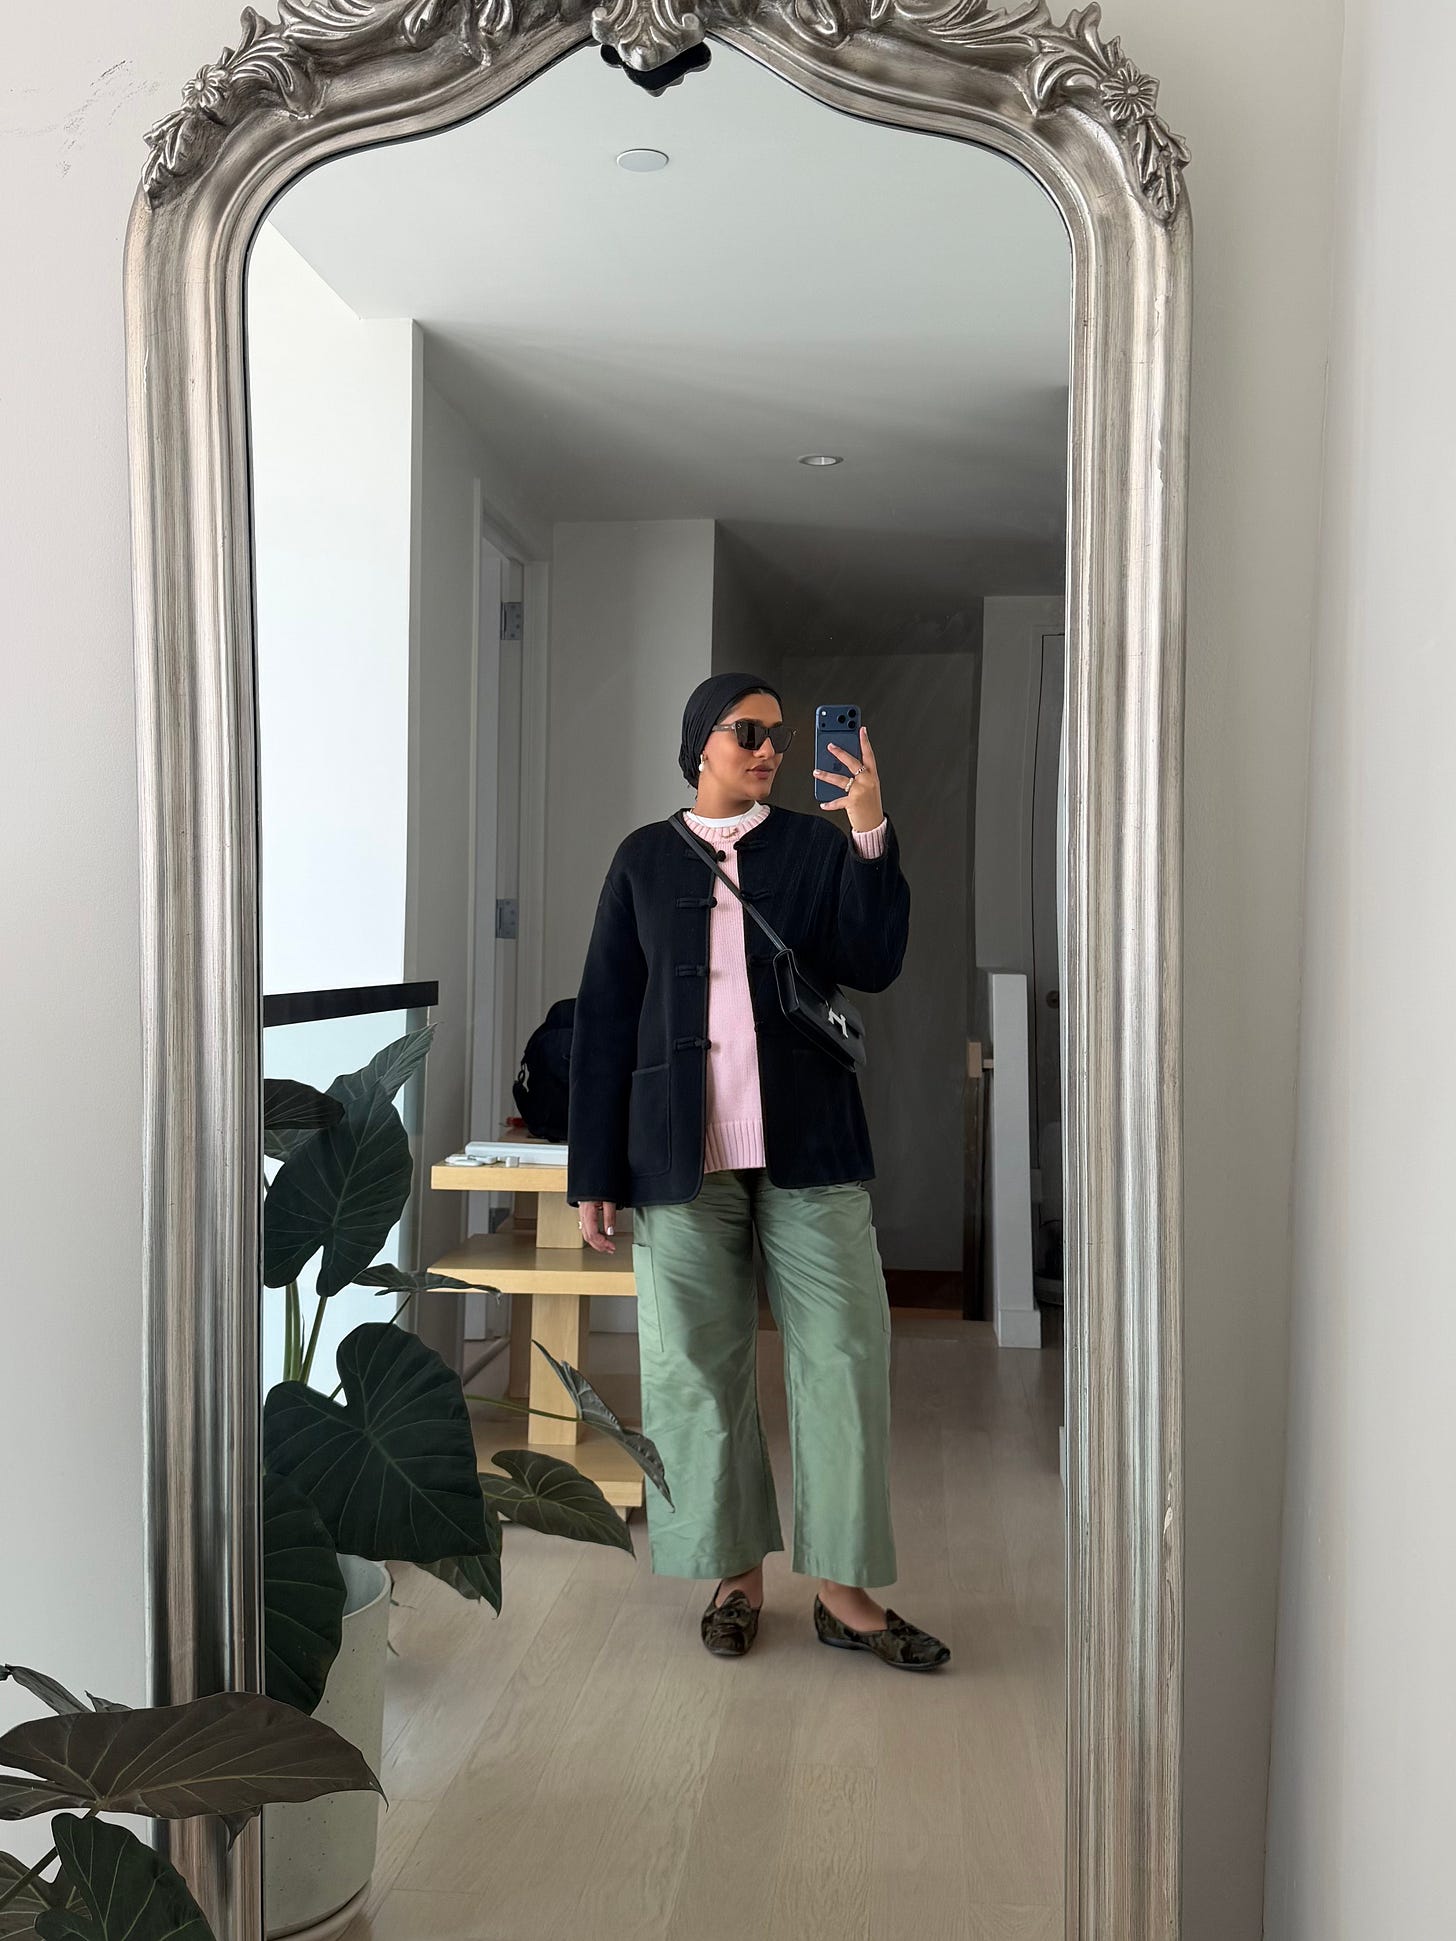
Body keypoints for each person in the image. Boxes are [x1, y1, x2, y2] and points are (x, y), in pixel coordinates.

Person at [566, 671, 950, 1671]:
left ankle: (844, 1592)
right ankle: (734, 1576)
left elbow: (875, 958)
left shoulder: (815, 848)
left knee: (846, 1357)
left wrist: (867, 827)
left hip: (810, 1146)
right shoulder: (643, 859)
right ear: (701, 742)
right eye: (749, 731)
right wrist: (592, 1168)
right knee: (694, 1370)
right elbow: (605, 1018)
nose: (771, 748)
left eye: (778, 734)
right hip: (677, 1157)